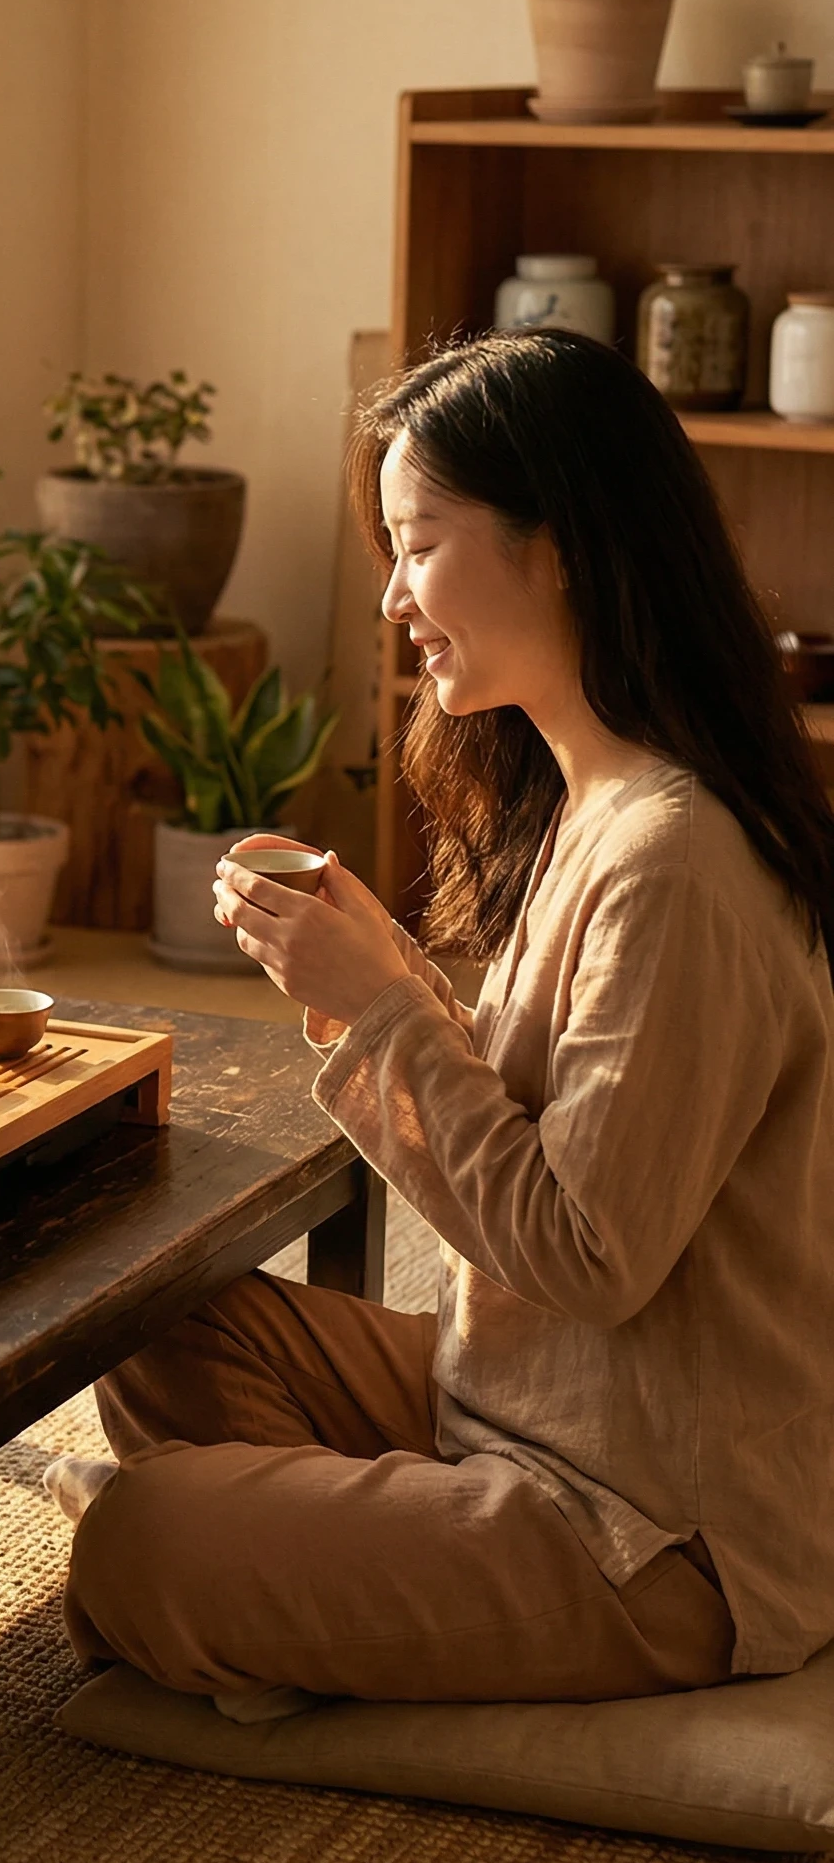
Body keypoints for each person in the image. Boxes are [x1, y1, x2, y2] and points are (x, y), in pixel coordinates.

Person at [50, 328, 834, 1721]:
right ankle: (318, 1599)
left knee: (135, 1539)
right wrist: (386, 980)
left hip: (650, 1526)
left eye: (417, 544)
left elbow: (588, 1255)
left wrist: (378, 1015)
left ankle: (285, 1603)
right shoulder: (595, 800)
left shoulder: (673, 856)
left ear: (565, 548)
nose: (397, 599)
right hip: (518, 1404)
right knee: (155, 1316)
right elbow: (556, 1117)